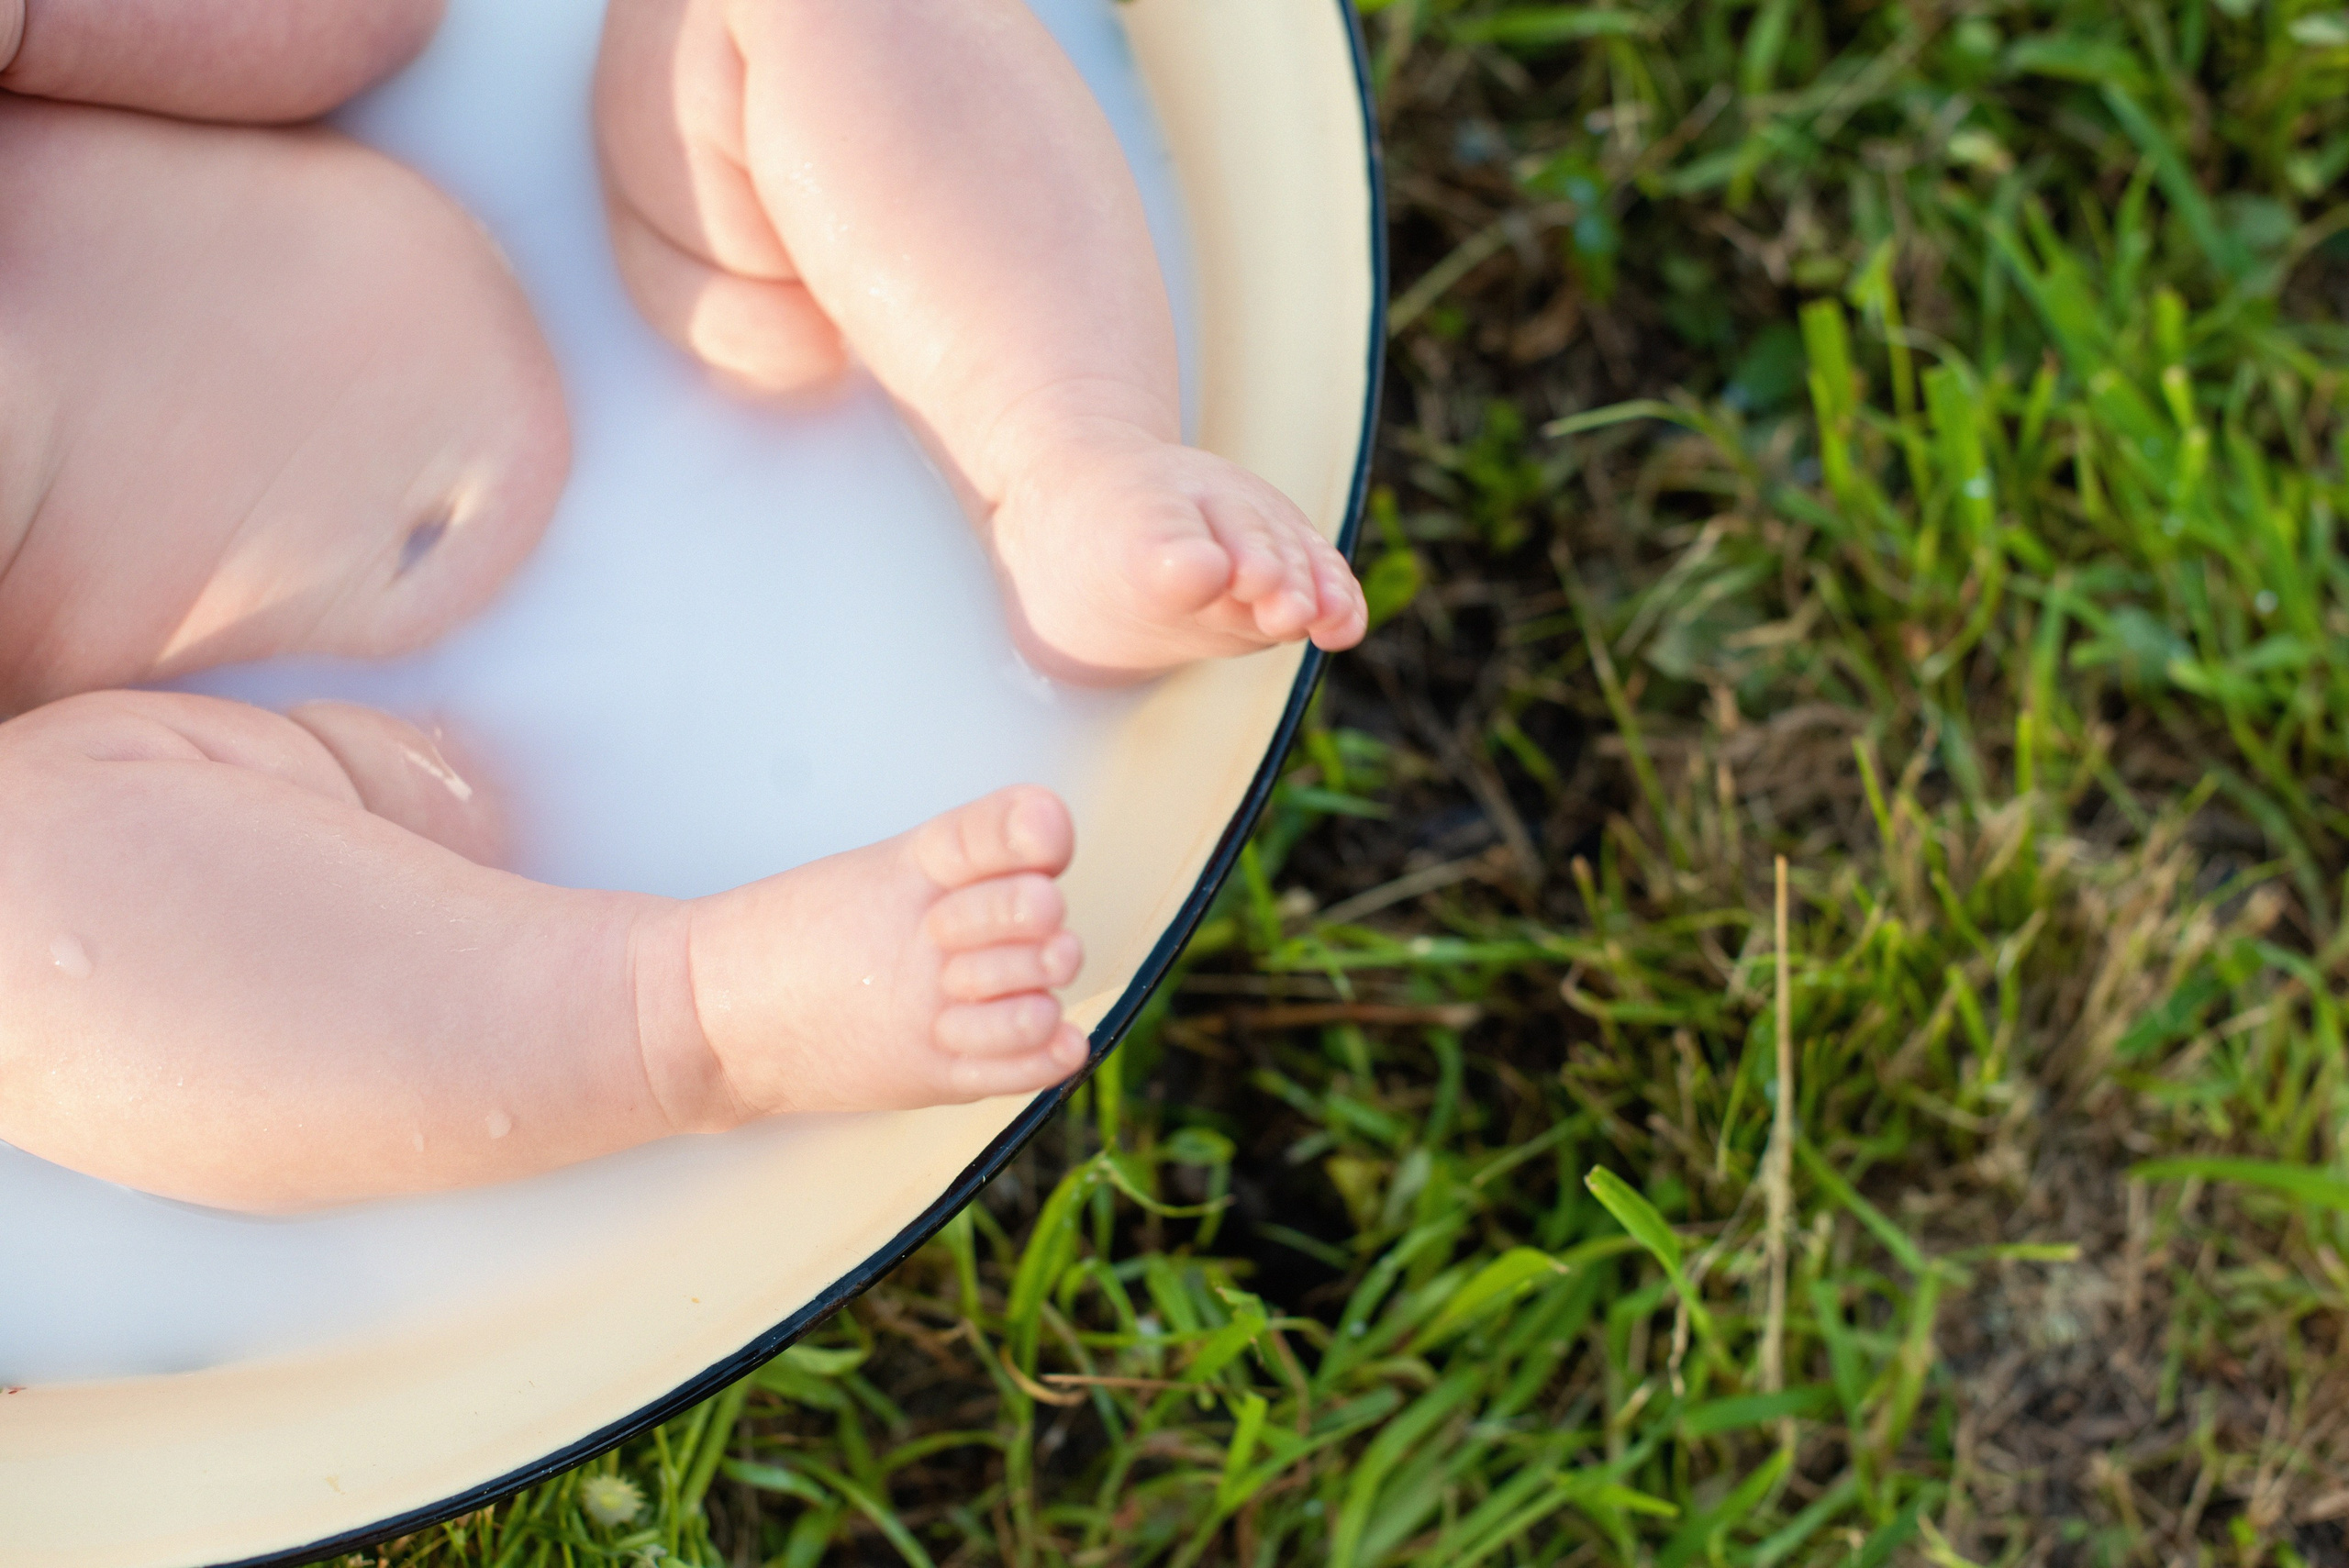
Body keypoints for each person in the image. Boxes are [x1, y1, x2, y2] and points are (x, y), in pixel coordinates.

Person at [0, 0, 1367, 1212]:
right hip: (368, 793)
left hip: (660, 269)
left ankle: (1063, 453)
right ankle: (679, 1017)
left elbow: (368, 24)